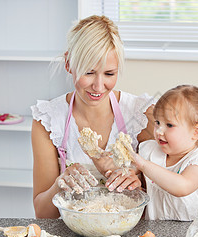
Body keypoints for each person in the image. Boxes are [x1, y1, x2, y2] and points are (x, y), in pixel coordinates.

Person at [31, 15, 155, 218]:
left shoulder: (141, 114)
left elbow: (163, 200)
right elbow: (43, 214)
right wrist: (59, 185)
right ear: (69, 64)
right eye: (89, 72)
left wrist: (138, 185)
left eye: (109, 74)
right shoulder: (48, 121)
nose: (98, 86)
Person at [132, 85, 198, 221]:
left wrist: (143, 165)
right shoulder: (149, 150)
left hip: (194, 231)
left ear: (196, 132)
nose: (158, 131)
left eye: (169, 125)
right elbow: (130, 170)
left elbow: (182, 186)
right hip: (157, 231)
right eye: (157, 122)